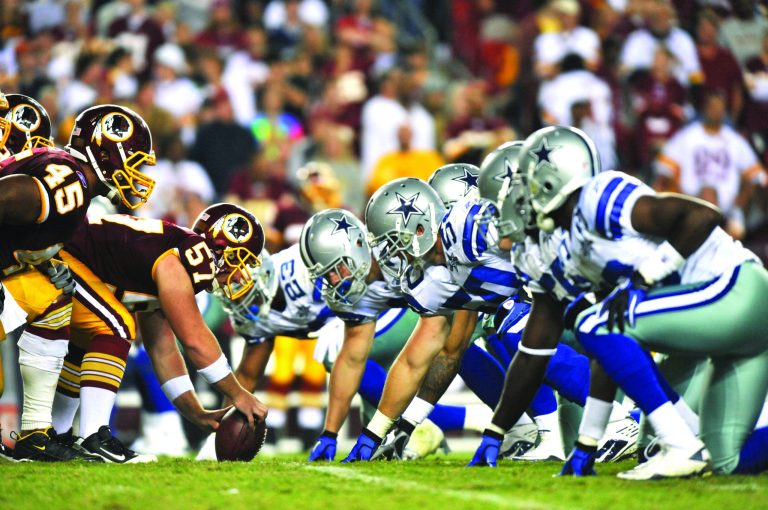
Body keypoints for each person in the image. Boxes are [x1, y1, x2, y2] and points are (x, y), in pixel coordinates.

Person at [525, 125, 768, 479]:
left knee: (595, 322)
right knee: (726, 461)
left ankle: (681, 445)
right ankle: (687, 444)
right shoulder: (578, 247)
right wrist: (586, 444)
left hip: (735, 288)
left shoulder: (597, 197)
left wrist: (644, 277)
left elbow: (704, 215)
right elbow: (609, 354)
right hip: (736, 319)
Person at [0, 99, 156, 461]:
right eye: (133, 161)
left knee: (54, 296)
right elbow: (5, 198)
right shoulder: (72, 181)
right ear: (107, 154)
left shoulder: (70, 176)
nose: (138, 174)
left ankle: (35, 434)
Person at [50, 203, 267, 463]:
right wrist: (238, 392)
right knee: (116, 327)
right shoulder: (191, 257)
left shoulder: (173, 253)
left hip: (72, 256)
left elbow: (163, 349)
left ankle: (57, 435)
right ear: (222, 249)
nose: (239, 276)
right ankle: (93, 437)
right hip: (62, 255)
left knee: (89, 339)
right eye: (240, 260)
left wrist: (195, 412)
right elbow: (194, 339)